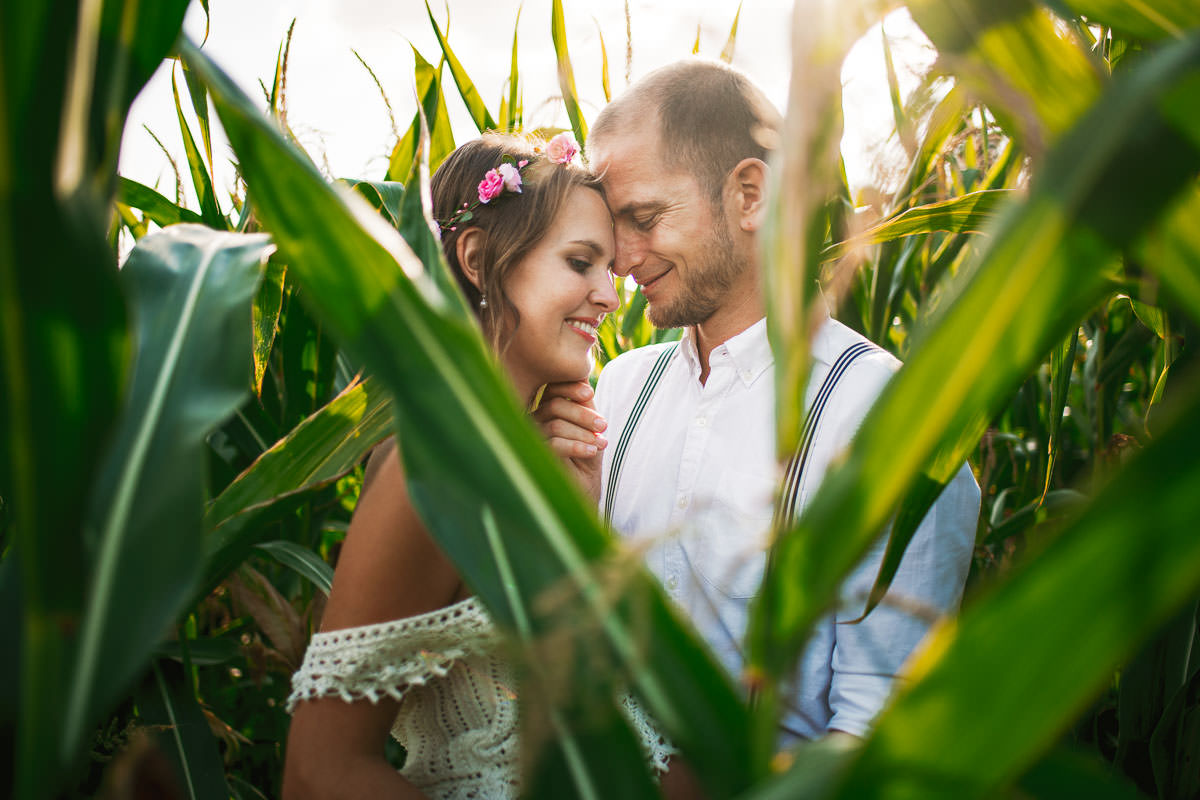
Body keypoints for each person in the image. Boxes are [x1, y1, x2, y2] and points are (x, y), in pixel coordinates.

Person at [537, 59, 980, 747]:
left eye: (644, 218)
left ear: (749, 195)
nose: (619, 259)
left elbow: (877, 734)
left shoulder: (888, 417)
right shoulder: (616, 392)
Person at [281, 132, 670, 800]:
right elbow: (320, 775)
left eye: (609, 269)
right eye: (581, 262)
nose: (609, 296)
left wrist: (570, 516)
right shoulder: (435, 469)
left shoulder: (528, 457)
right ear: (477, 254)